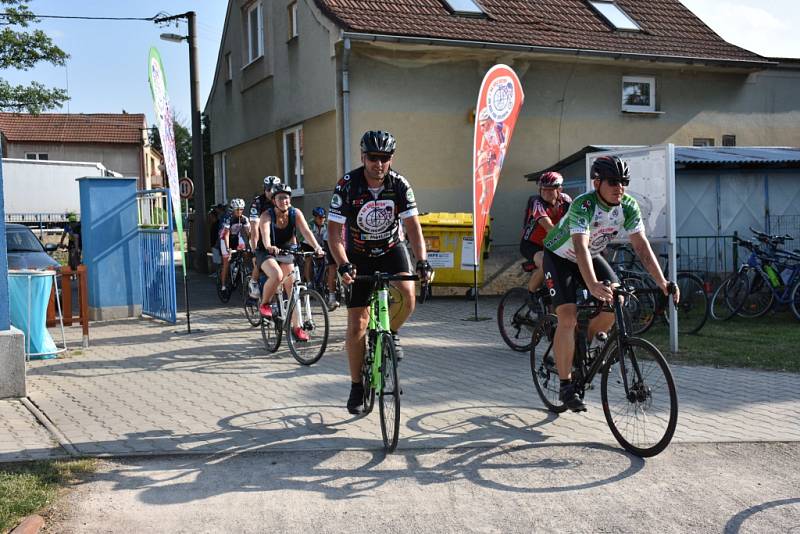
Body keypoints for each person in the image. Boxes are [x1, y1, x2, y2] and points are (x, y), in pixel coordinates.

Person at [542, 155, 679, 412]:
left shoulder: (627, 206)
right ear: (597, 183)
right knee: (568, 316)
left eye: (624, 181)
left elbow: (641, 246)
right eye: (613, 181)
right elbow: (580, 247)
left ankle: (589, 347)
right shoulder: (584, 205)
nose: (620, 187)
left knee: (617, 297)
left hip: (591, 256)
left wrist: (663, 282)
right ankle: (565, 384)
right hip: (560, 257)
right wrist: (592, 284)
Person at [327, 130, 433, 415]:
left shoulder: (399, 184)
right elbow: (334, 234)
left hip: (390, 249)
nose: (379, 163)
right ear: (363, 157)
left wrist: (422, 261)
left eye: (384, 158)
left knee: (408, 294)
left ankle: (391, 334)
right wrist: (344, 263)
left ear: (391, 159)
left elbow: (412, 227)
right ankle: (356, 386)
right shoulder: (347, 185)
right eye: (373, 158)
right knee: (357, 324)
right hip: (359, 254)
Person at [256, 183, 324, 342]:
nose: (284, 201)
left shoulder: (295, 213)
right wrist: (269, 246)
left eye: (286, 197)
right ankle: (265, 304)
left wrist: (317, 247)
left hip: (286, 250)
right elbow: (265, 233)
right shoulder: (266, 215)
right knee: (276, 275)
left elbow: (306, 231)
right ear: (274, 200)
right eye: (280, 198)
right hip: (266, 252)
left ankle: (297, 328)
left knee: (292, 289)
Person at [520, 171, 571, 299]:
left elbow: (575, 222)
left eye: (550, 189)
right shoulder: (536, 201)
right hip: (532, 244)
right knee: (546, 263)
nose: (546, 192)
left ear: (559, 189)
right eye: (543, 189)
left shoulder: (566, 200)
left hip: (553, 243)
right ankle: (531, 295)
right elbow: (548, 227)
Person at [248, 175, 281, 298]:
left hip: (275, 233)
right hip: (260, 234)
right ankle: (254, 281)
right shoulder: (258, 202)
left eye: (273, 189)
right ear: (264, 189)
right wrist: (254, 247)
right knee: (259, 256)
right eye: (268, 189)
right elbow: (254, 228)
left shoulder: (280, 199)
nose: (271, 192)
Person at [303, 206, 340, 310]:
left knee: (330, 262)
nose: (322, 219)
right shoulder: (309, 225)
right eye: (319, 218)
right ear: (315, 218)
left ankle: (327, 286)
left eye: (323, 217)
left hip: (323, 245)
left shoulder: (327, 226)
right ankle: (309, 282)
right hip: (308, 244)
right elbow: (304, 239)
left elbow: (329, 240)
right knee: (308, 259)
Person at [218, 198, 250, 293]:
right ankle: (223, 285)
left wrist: (252, 245)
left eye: (241, 209)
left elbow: (249, 234)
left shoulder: (244, 219)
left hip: (236, 237)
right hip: (225, 239)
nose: (240, 211)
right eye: (237, 209)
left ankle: (242, 268)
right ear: (233, 209)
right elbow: (226, 235)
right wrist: (228, 249)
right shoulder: (228, 218)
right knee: (226, 261)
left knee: (245, 252)